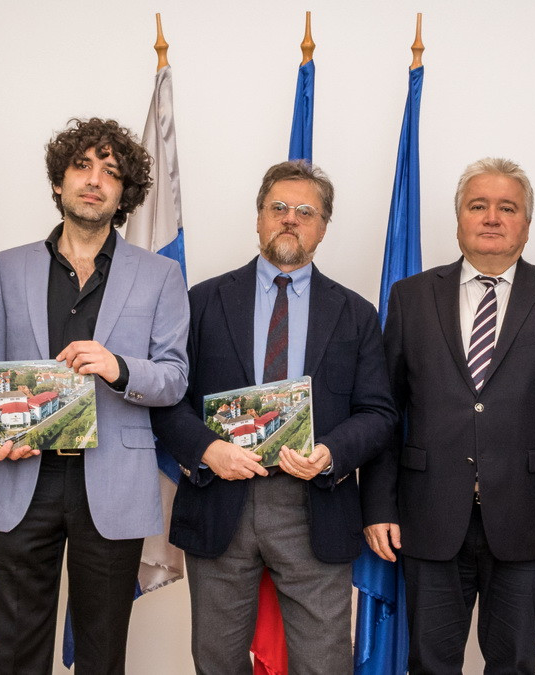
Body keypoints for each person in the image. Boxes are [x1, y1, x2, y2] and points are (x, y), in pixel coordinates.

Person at [360, 157, 535, 674]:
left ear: (526, 223)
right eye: (478, 206)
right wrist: (378, 505)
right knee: (429, 664)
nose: (492, 217)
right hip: (427, 516)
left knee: (514, 663)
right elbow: (386, 413)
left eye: (507, 207)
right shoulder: (411, 297)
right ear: (459, 219)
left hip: (529, 521)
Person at [151, 160, 396, 673]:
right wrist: (207, 450)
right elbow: (168, 399)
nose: (290, 218)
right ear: (259, 218)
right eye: (278, 207)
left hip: (314, 503)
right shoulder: (202, 301)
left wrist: (331, 453)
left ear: (323, 228)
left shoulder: (356, 314)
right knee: (217, 660)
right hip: (219, 500)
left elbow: (377, 413)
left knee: (324, 663)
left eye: (306, 212)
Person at [0, 117, 188, 673]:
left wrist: (119, 368)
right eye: (82, 166)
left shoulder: (161, 274)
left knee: (101, 654)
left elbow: (174, 377)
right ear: (59, 180)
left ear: (125, 193)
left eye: (111, 172)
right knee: (13, 651)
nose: (95, 180)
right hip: (24, 476)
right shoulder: (9, 266)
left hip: (113, 483)